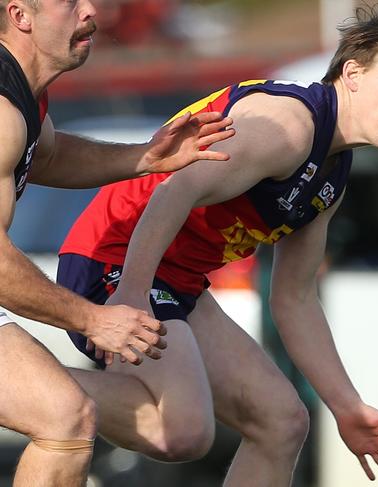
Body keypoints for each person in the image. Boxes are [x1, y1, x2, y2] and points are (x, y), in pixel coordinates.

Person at [56, 4, 378, 485]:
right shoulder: (286, 126)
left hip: (176, 283)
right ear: (352, 74)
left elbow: (295, 298)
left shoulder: (331, 173)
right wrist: (132, 292)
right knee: (181, 432)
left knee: (282, 423)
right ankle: (16, 385)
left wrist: (348, 408)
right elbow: (174, 189)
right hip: (115, 258)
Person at [0, 0, 234, 485]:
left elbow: (49, 156)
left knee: (84, 415)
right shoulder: (2, 113)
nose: (91, 11)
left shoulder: (23, 98)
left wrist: (145, 158)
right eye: (70, 3)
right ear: (22, 16)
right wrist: (92, 320)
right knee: (64, 417)